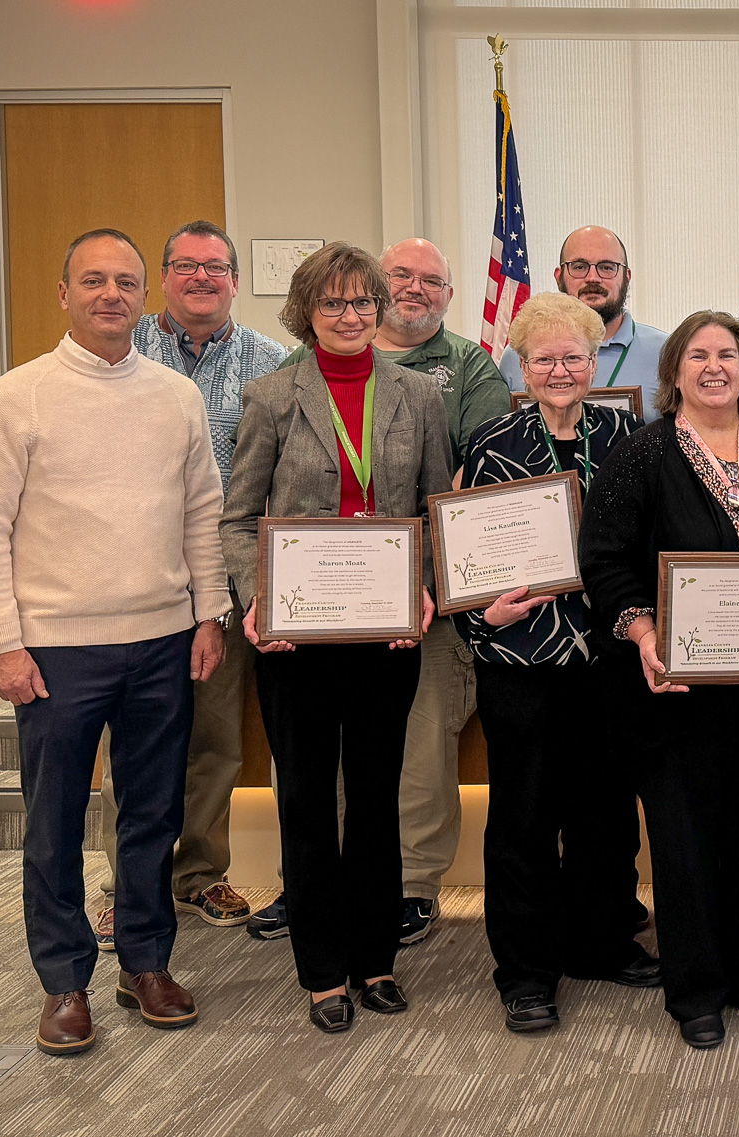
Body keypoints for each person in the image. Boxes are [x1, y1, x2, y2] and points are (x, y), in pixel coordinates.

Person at [0, 228, 229, 1055]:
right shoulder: (16, 396)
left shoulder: (175, 397)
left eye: (125, 281)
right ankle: (65, 980)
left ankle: (145, 961)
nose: (111, 294)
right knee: (54, 825)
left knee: (152, 814)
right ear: (64, 292)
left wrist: (210, 612)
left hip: (161, 639)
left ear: (142, 295)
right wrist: (3, 641)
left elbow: (201, 512)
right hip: (53, 651)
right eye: (93, 280)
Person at [222, 242, 451, 1033]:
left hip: (388, 636)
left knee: (380, 799)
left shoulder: (419, 395)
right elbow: (238, 516)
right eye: (334, 303)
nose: (351, 316)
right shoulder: (272, 394)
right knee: (309, 802)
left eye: (363, 302)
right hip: (296, 642)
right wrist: (255, 601)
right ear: (305, 310)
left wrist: (427, 591)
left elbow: (435, 506)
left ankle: (376, 957)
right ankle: (323, 970)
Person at [261, 237, 513, 946]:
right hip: (309, 603)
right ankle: (308, 884)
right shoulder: (285, 380)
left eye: (432, 280)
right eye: (399, 275)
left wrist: (428, 584)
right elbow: (251, 499)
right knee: (311, 766)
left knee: (410, 751)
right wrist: (260, 594)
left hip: (410, 606)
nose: (413, 289)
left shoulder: (458, 372)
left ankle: (407, 887)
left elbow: (463, 484)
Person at [581, 311, 739, 1051]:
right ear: (674, 369)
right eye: (698, 355)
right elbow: (606, 562)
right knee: (684, 842)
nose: (714, 366)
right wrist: (646, 632)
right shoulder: (640, 454)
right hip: (673, 690)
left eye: (727, 354)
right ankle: (697, 990)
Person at [456, 291, 655, 1033]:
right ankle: (527, 970)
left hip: (608, 656)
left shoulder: (629, 435)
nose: (561, 369)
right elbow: (465, 557)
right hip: (522, 657)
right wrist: (484, 612)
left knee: (606, 811)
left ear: (596, 357)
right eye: (545, 358)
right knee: (523, 817)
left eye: (575, 355)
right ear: (523, 364)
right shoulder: (490, 442)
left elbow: (649, 535)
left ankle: (602, 942)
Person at [86, 220, 283, 950]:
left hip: (223, 586)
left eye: (216, 267)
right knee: (132, 745)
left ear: (234, 279)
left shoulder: (272, 363)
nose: (202, 277)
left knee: (214, 739)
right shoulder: (116, 350)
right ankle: (124, 887)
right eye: (187, 265)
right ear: (165, 276)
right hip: (128, 583)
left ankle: (199, 873)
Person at [501, 225, 669, 420]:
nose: (593, 278)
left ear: (626, 277)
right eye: (579, 267)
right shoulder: (518, 354)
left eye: (607, 267)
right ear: (559, 276)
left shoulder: (665, 352)